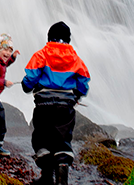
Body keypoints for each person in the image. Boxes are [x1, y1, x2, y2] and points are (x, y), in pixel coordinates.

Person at [21, 21, 90, 185]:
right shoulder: (75, 58)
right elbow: (83, 80)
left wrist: (26, 86)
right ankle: (61, 176)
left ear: (49, 38)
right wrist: (79, 94)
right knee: (62, 139)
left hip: (43, 104)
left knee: (42, 138)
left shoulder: (41, 54)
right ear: (68, 40)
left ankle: (46, 176)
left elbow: (30, 77)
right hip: (65, 106)